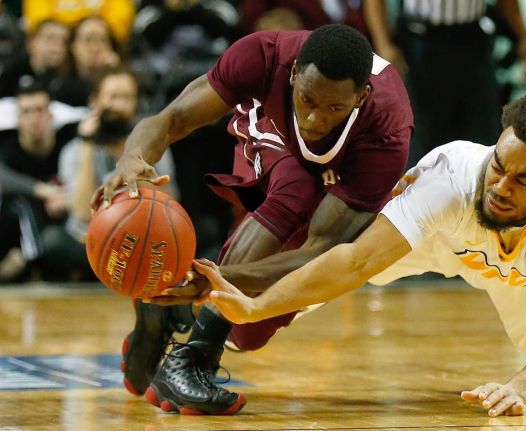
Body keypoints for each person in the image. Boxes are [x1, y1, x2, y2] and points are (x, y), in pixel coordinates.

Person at [191, 95, 526, 417]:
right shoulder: (450, 178)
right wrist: (257, 306)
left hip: (525, 271)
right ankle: (200, 339)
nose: (500, 186)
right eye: (499, 166)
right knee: (284, 302)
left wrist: (518, 389)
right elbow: (355, 261)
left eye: (523, 180)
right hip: (436, 238)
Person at [97, 24, 412, 415]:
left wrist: (208, 282)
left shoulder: (388, 128)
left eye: (333, 108)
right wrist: (132, 158)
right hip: (271, 134)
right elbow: (175, 117)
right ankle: (192, 360)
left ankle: (168, 310)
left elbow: (321, 252)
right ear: (294, 73)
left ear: (361, 97)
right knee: (295, 189)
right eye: (307, 100)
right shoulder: (264, 55)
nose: (314, 119)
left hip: (337, 184)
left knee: (250, 327)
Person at [39, 68, 177, 278]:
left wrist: (131, 153)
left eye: (127, 98)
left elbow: (168, 207)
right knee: (52, 241)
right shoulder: (74, 149)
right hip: (91, 242)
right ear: (95, 101)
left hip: (140, 242)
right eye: (113, 97)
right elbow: (82, 213)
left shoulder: (153, 146)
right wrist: (87, 144)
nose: (119, 106)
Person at [363, 0, 526, 166]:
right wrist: (383, 44)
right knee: (421, 142)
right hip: (420, 44)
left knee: (482, 143)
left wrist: (522, 36)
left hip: (473, 42)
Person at [0, 83, 74, 281]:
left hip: (67, 218)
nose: (34, 118)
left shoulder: (67, 142)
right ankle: (30, 260)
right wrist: (42, 190)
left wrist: (67, 199)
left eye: (40, 110)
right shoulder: (9, 149)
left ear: (51, 114)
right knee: (18, 204)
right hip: (24, 224)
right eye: (27, 112)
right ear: (18, 119)